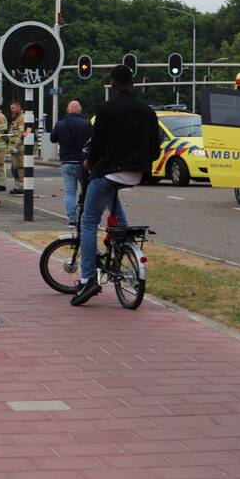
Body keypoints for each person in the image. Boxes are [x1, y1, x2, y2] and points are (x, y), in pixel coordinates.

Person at [72, 65, 159, 306]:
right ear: (132, 83)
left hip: (111, 172)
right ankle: (124, 243)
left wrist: (89, 164)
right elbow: (155, 147)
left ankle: (87, 278)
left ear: (113, 83)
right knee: (111, 196)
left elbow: (97, 145)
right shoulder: (148, 111)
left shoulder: (107, 109)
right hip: (137, 173)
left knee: (88, 221)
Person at [51, 100, 94, 227]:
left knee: (70, 192)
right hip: (83, 163)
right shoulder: (87, 124)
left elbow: (53, 139)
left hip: (67, 162)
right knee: (87, 190)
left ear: (67, 110)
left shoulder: (60, 124)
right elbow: (94, 140)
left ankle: (71, 220)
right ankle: (86, 218)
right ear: (80, 110)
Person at [7, 101, 27, 194]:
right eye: (11, 108)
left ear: (19, 107)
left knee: (20, 168)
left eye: (13, 108)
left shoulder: (22, 118)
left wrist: (16, 146)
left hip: (19, 147)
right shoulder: (16, 119)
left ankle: (21, 186)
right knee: (14, 168)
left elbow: (22, 134)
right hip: (14, 148)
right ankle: (18, 185)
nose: (12, 110)